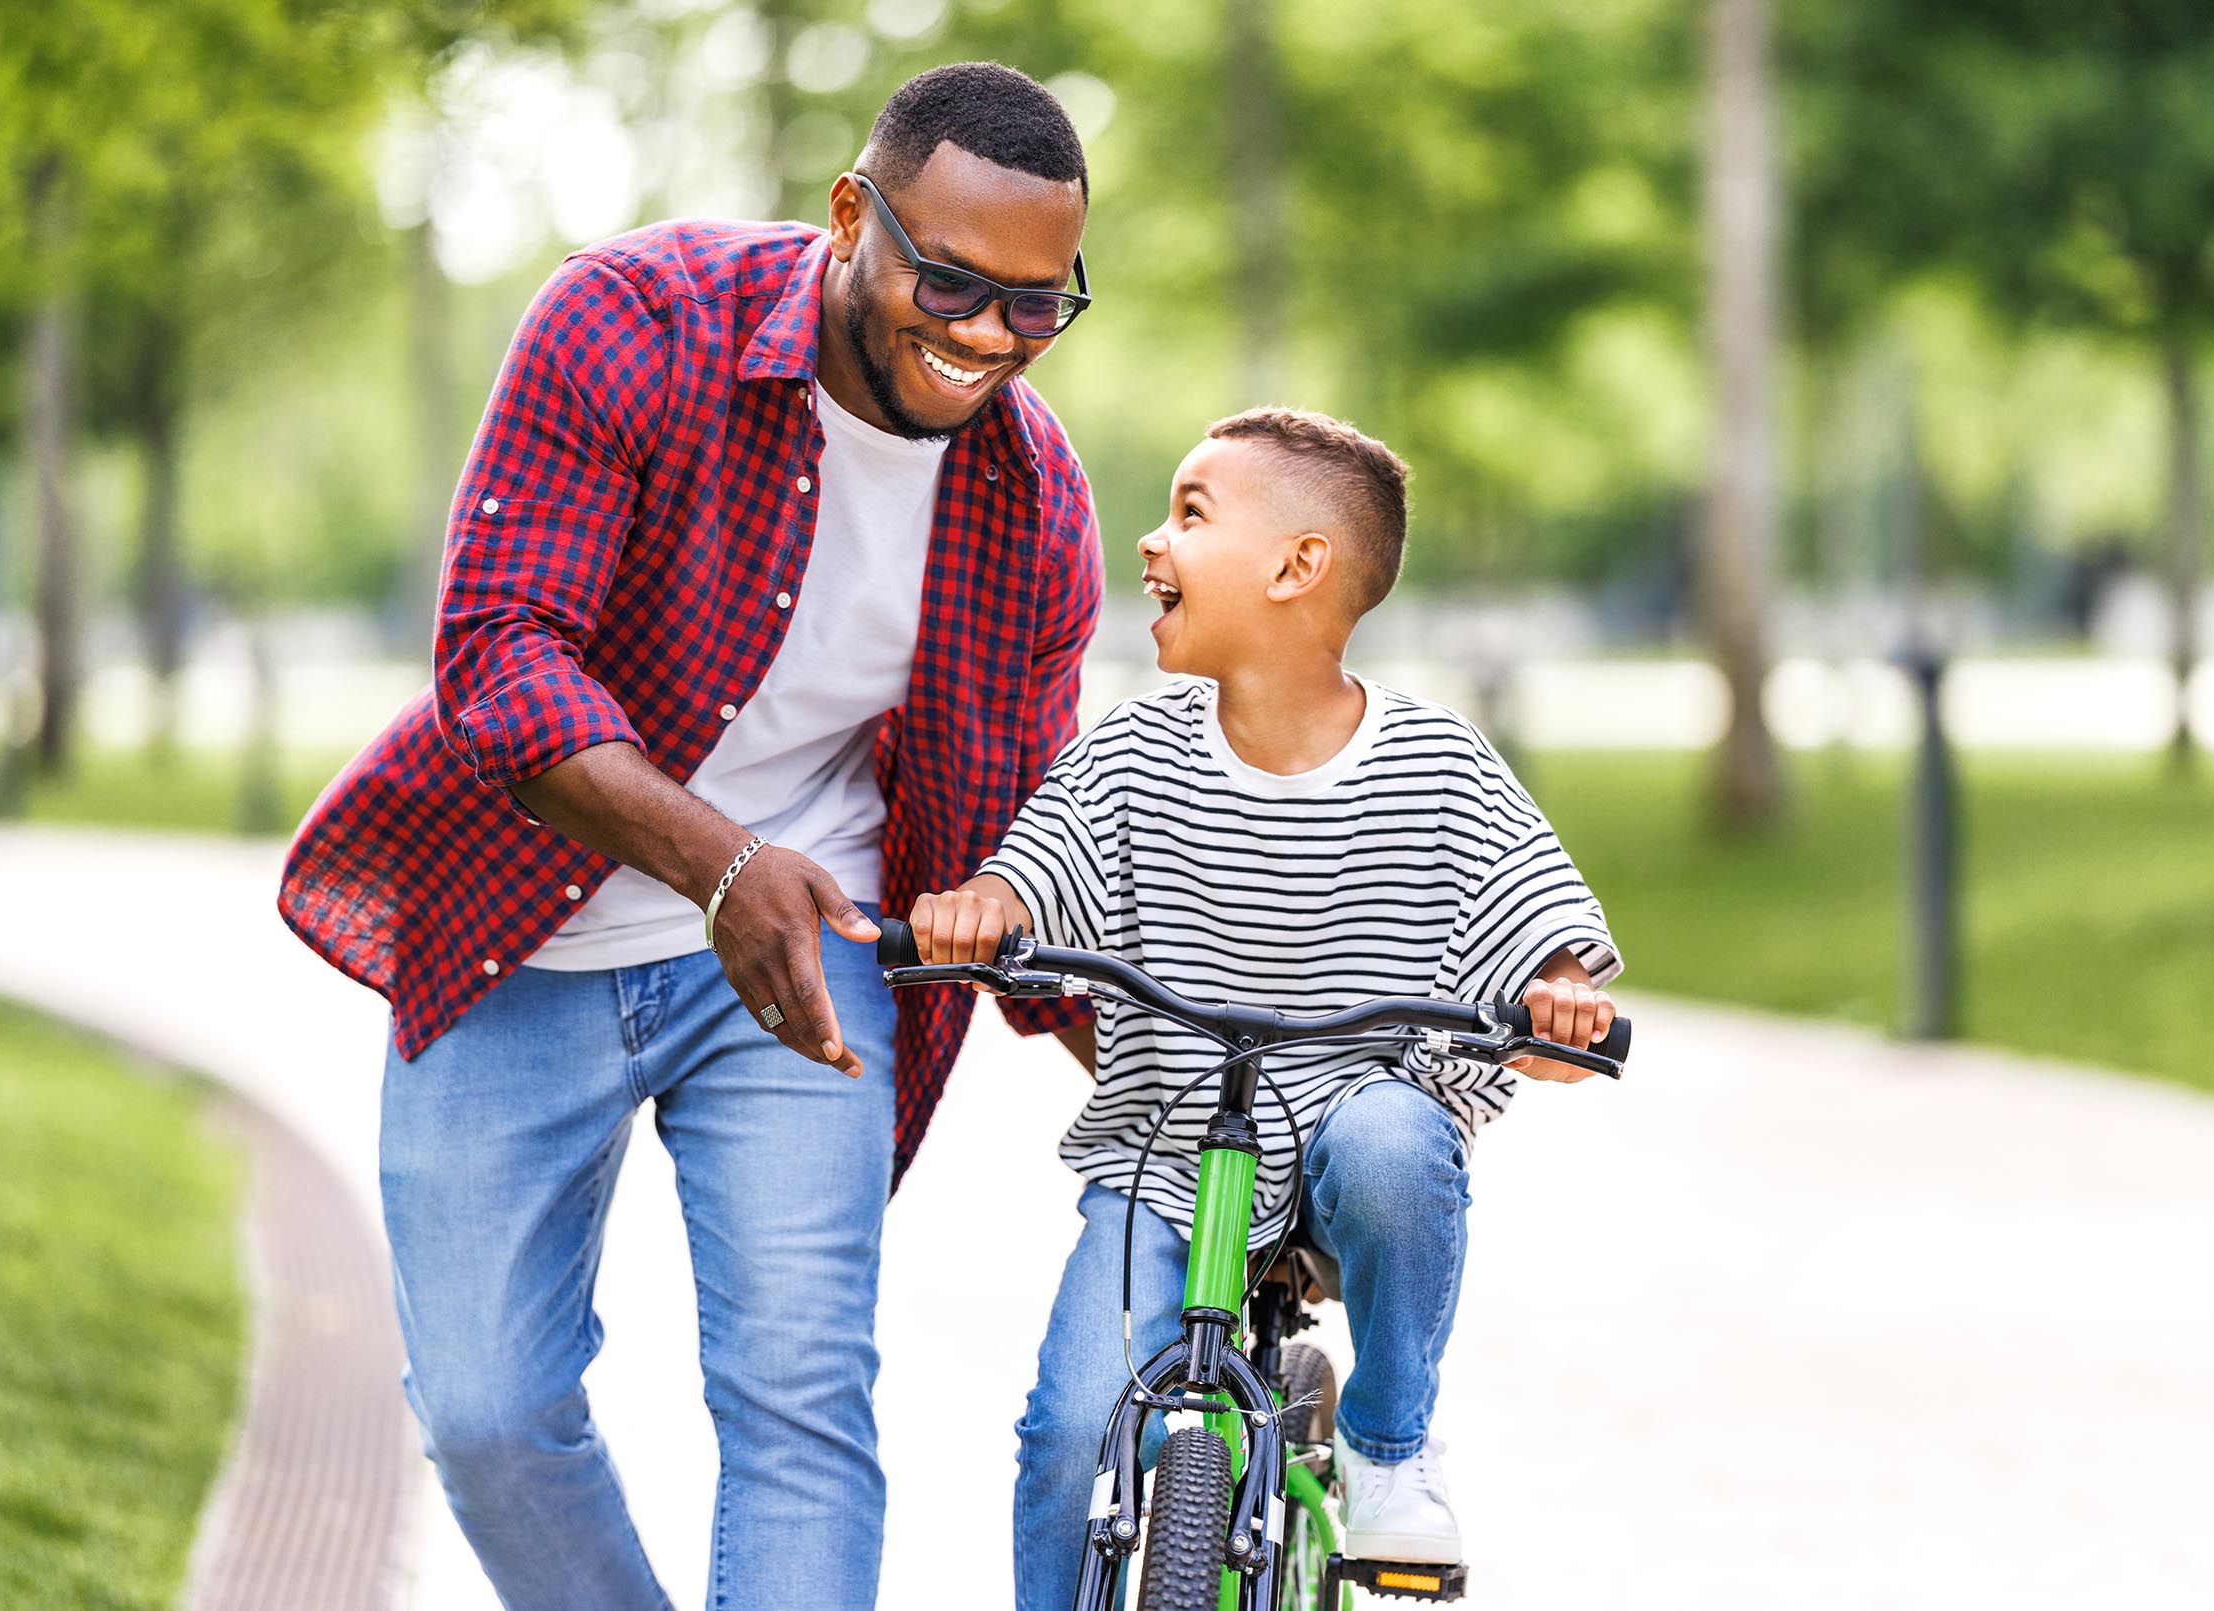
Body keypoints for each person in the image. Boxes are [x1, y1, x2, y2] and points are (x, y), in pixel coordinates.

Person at [277, 63, 1103, 1611]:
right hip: (517, 933)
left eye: (1039, 305)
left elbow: (1013, 838)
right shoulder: (635, 321)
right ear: (854, 213)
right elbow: (500, 651)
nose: (991, 338)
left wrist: (1187, 1090)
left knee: (800, 1403)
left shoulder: (1030, 496)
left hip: (813, 958)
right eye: (952, 283)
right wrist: (721, 862)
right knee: (485, 1411)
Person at [906, 408, 1623, 1605]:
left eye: (1191, 514)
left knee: (1398, 1138)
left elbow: (1542, 927)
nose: (1150, 541)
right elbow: (1036, 866)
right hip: (1171, 1155)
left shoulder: (1439, 763)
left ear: (1299, 567)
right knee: (1070, 1431)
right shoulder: (1131, 749)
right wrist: (984, 905)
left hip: (1355, 1138)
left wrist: (1556, 1004)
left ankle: (1392, 1456)